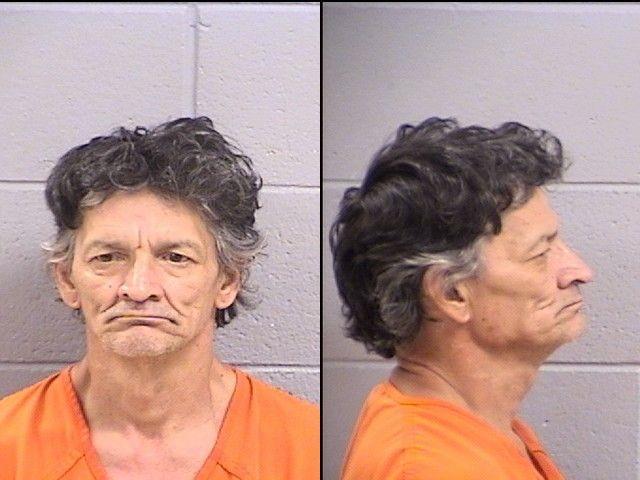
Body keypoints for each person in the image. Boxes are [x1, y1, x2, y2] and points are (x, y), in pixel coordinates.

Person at [0, 117, 319, 479]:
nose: (138, 289)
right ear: (66, 280)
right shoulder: (8, 445)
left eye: (175, 258)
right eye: (108, 257)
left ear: (228, 280)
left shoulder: (306, 446)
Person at [330, 117, 593, 480]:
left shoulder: (476, 427)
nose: (580, 271)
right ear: (451, 293)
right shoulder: (429, 469)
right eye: (540, 253)